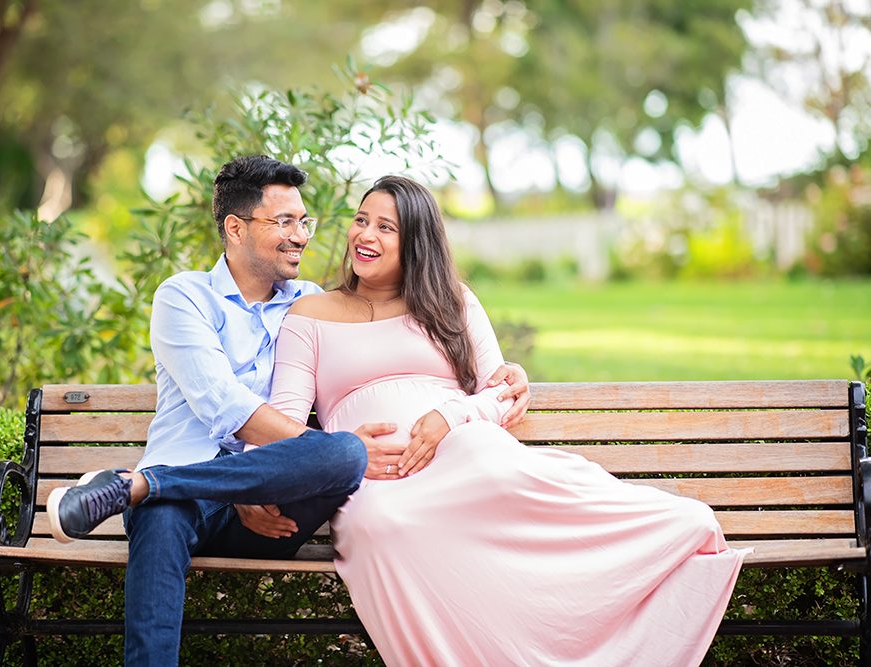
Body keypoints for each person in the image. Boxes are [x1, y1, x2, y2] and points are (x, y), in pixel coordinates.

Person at [46, 155, 532, 667]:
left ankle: (136, 483)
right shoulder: (184, 297)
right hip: (190, 494)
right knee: (164, 515)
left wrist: (271, 480)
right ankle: (149, 493)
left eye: (304, 221)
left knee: (344, 454)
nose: (300, 235)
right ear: (235, 228)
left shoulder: (312, 303)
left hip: (270, 516)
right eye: (284, 222)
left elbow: (315, 405)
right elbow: (224, 404)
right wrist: (253, 480)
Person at [268, 175, 748, 667]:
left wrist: (448, 418)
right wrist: (343, 450)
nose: (365, 235)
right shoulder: (310, 315)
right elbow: (280, 423)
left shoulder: (452, 301)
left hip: (465, 453)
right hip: (376, 476)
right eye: (362, 221)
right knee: (380, 526)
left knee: (501, 471)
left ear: (416, 241)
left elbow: (502, 392)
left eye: (386, 227)